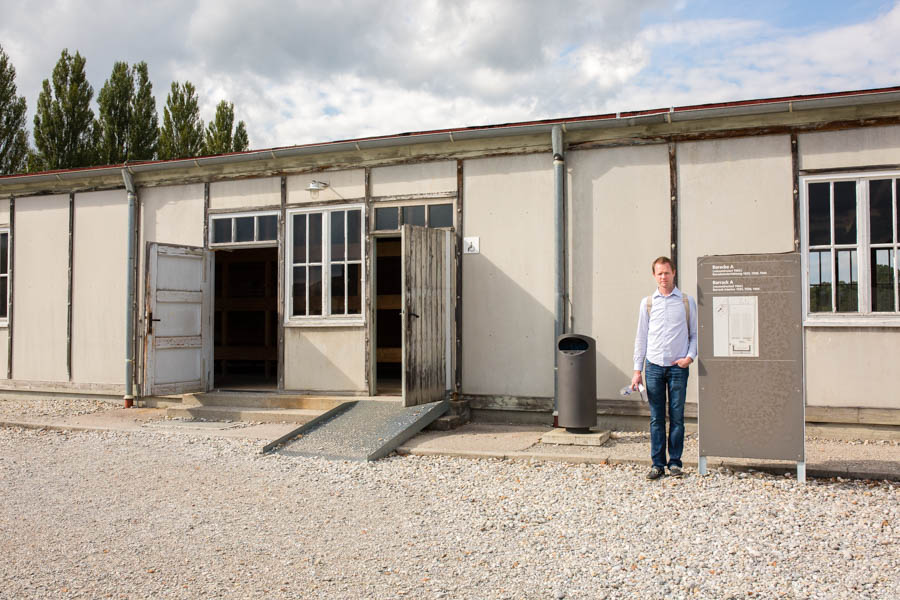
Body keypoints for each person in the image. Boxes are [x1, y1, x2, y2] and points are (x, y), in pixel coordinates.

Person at [631, 256, 698, 480]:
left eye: (666, 273)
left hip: (678, 368)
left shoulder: (686, 302)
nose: (663, 277)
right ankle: (657, 464)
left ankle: (675, 463)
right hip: (653, 368)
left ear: (674, 273)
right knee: (656, 418)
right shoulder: (648, 303)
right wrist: (637, 370)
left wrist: (689, 357)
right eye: (659, 273)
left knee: (677, 417)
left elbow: (695, 334)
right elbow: (641, 337)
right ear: (654, 276)